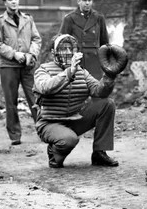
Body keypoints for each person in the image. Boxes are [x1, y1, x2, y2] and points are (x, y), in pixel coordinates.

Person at [33, 34, 120, 169]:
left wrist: (109, 75)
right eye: (63, 49)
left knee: (107, 104)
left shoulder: (81, 71)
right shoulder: (43, 70)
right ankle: (54, 153)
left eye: (71, 49)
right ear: (53, 52)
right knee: (68, 140)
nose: (68, 52)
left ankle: (99, 153)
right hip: (50, 122)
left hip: (74, 119)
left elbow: (98, 91)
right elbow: (45, 88)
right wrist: (69, 72)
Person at [0, 0, 42, 146]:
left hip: (27, 66)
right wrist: (14, 54)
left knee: (36, 98)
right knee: (11, 101)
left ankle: (44, 131)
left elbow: (36, 39)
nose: (14, 2)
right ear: (5, 2)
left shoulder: (28, 19)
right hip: (8, 66)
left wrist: (31, 54)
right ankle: (15, 136)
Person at [59, 0, 109, 78]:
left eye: (89, 0)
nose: (87, 3)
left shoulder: (99, 18)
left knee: (96, 88)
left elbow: (104, 43)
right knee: (79, 88)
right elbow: (62, 43)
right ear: (78, 1)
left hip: (95, 61)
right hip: (78, 61)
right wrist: (67, 64)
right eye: (84, 0)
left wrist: (105, 64)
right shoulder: (69, 19)